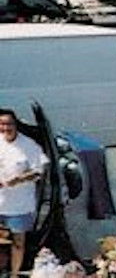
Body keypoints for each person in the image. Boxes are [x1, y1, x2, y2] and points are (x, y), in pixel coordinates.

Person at [0, 108, 49, 274]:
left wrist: (19, 179)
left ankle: (14, 274)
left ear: (16, 125)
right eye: (2, 124)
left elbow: (39, 171)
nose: (5, 128)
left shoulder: (28, 145)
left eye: (9, 124)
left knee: (18, 242)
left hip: (19, 205)